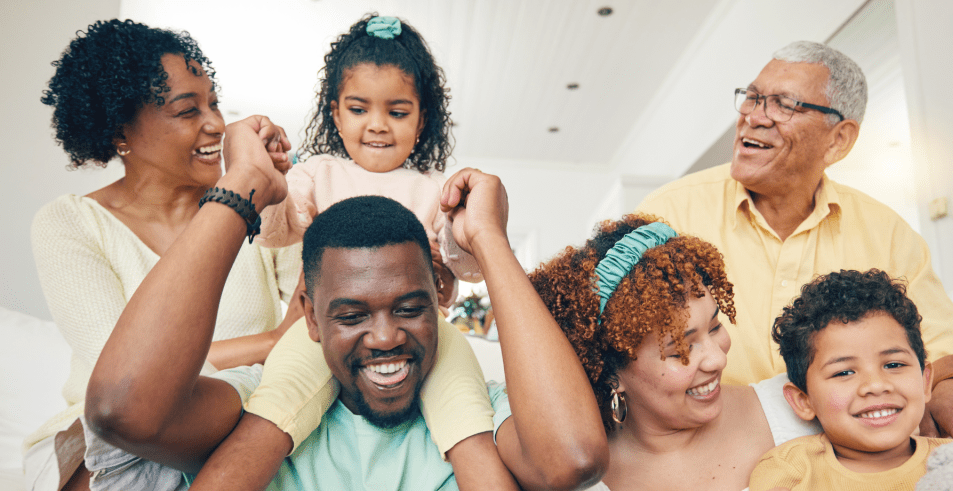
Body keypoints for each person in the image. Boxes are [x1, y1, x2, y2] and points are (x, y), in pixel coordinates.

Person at [82, 120, 608, 490]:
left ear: (439, 299)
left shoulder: (482, 409)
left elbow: (575, 459)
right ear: (310, 316)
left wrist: (489, 238)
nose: (385, 337)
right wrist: (243, 185)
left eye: (410, 308)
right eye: (352, 316)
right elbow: (120, 410)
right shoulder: (257, 400)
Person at [635, 40, 953, 462]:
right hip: (708, 448)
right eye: (753, 97)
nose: (753, 116)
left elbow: (939, 350)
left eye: (784, 105)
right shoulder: (668, 215)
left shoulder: (887, 230)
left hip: (854, 454)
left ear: (838, 140)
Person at [24, 19, 302, 490]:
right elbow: (130, 382)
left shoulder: (259, 201)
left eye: (214, 103)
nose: (217, 124)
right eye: (187, 110)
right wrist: (271, 342)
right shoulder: (71, 223)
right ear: (120, 132)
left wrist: (255, 186)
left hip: (239, 416)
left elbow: (318, 326)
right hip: (115, 437)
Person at [240, 14, 496, 465]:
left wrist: (458, 236)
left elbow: (471, 269)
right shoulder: (315, 174)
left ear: (421, 121)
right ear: (336, 115)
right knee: (273, 410)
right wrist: (270, 178)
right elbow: (273, 232)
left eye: (397, 113)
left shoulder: (436, 189)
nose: (378, 125)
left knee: (467, 422)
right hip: (326, 333)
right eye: (359, 110)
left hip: (427, 334)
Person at [528, 214, 819, 490]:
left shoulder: (800, 409)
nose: (718, 359)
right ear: (612, 373)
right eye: (681, 350)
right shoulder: (580, 475)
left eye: (715, 327)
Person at [749, 269, 953, 490]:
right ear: (803, 401)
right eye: (844, 372)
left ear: (925, 382)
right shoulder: (789, 469)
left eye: (894, 365)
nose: (876, 385)